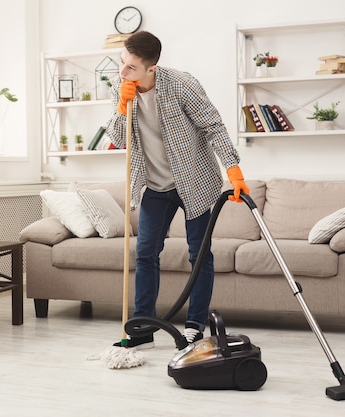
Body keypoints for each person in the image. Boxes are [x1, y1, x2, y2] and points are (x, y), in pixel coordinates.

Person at [106, 31, 249, 349]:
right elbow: (118, 137)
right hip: (154, 186)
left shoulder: (182, 85)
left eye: (131, 67)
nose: (123, 72)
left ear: (151, 68)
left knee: (199, 256)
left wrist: (233, 169)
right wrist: (122, 104)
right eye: (121, 63)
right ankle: (142, 328)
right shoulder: (124, 88)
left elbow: (213, 124)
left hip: (193, 181)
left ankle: (195, 326)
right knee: (145, 255)